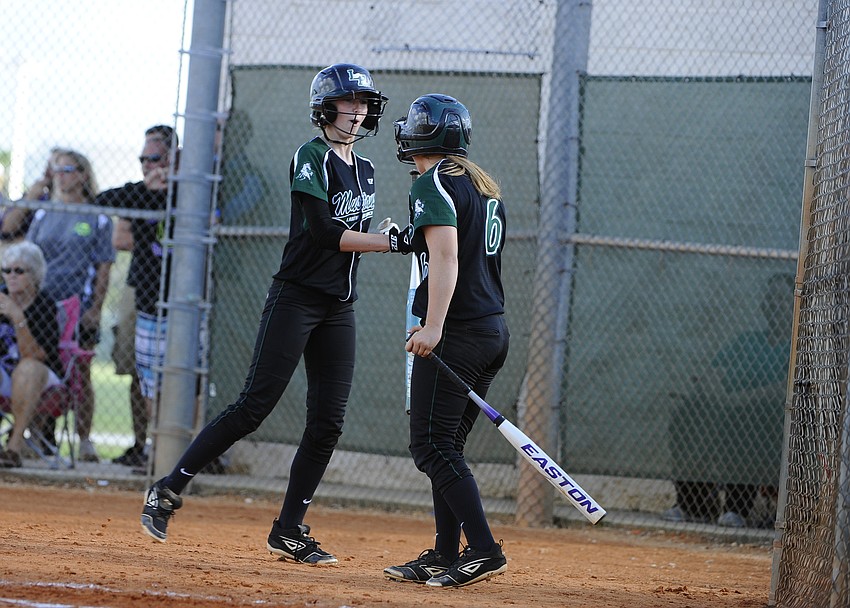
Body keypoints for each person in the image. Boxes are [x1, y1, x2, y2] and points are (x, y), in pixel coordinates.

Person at [140, 63, 404, 561]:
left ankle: (288, 528)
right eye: (350, 102)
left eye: (365, 103)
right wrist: (389, 243)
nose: (359, 111)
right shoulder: (311, 156)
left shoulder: (366, 168)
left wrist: (385, 235)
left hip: (339, 306)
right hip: (298, 297)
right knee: (254, 406)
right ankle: (167, 489)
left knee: (328, 423)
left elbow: (353, 236)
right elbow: (325, 233)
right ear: (325, 107)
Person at [382, 94, 509, 587]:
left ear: (427, 136)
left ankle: (481, 549)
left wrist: (434, 326)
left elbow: (448, 260)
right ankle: (443, 552)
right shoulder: (479, 184)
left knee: (431, 445)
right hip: (491, 331)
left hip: (457, 331)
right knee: (447, 444)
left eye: (414, 125)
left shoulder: (431, 182)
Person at [664, 273, 794, 528]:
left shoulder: (795, 346)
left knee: (746, 418)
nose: (773, 305)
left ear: (794, 304)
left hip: (766, 417)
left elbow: (782, 390)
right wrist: (722, 399)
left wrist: (735, 402)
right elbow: (711, 375)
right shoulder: (747, 341)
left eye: (780, 299)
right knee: (688, 413)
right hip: (724, 408)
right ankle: (694, 503)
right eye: (769, 299)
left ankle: (737, 508)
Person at [26, 149, 114, 463]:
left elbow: (104, 266)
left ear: (82, 174)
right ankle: (34, 436)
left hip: (79, 305)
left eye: (68, 169)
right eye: (56, 170)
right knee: (42, 366)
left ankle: (85, 439)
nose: (61, 176)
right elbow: (30, 257)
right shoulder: (41, 213)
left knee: (82, 372)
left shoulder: (96, 216)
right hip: (43, 307)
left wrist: (96, 308)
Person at [97, 125, 177, 468]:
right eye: (143, 158)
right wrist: (147, 191)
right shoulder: (138, 191)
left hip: (183, 297)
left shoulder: (190, 189)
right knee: (140, 372)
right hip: (143, 291)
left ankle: (179, 451)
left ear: (173, 157)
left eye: (154, 158)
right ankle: (143, 445)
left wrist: (172, 186)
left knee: (187, 376)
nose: (147, 164)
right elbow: (100, 204)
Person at [0, 241, 63, 468]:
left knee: (27, 368)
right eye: (6, 270)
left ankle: (14, 447)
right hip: (5, 374)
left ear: (35, 274)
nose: (11, 276)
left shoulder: (44, 305)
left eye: (19, 271)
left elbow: (35, 354)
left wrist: (18, 317)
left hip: (40, 378)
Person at [0, 147, 64, 257]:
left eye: (55, 166)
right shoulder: (37, 198)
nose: (48, 171)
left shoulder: (74, 205)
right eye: (48, 165)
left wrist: (21, 241)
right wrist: (30, 198)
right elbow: (6, 229)